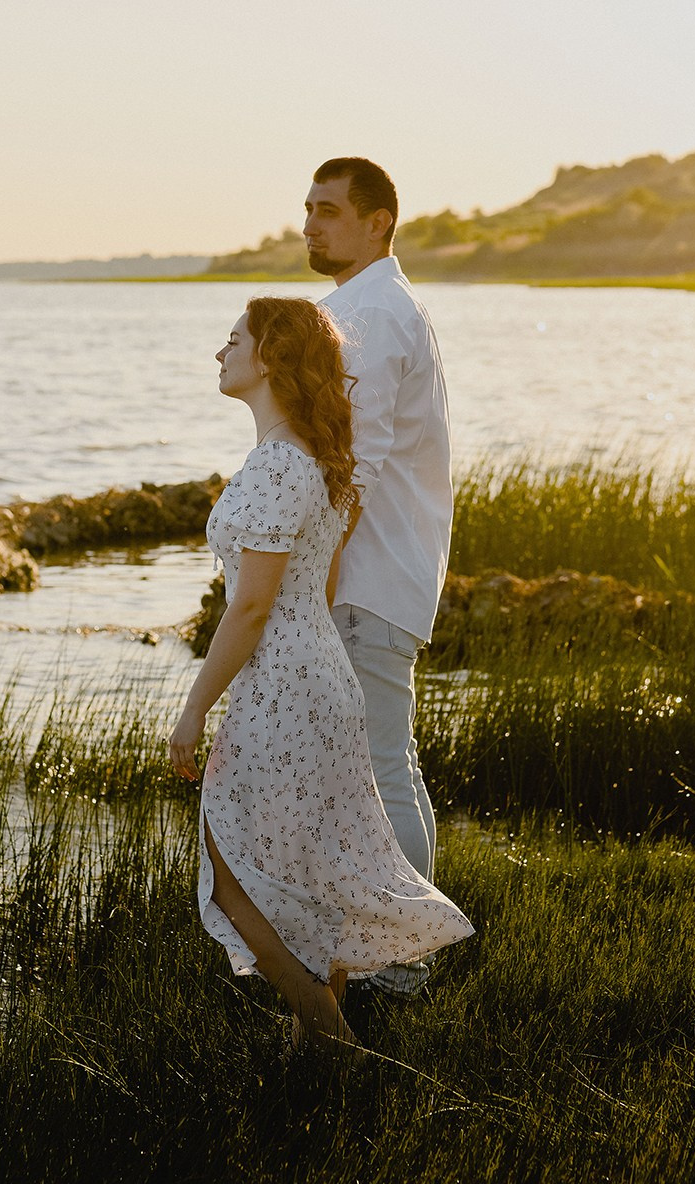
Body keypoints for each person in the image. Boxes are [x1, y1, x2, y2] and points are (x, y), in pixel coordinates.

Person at [168, 296, 472, 1060]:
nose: (219, 353)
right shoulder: (310, 458)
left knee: (230, 868)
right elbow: (322, 583)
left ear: (270, 356)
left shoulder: (279, 464)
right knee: (310, 867)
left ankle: (334, 1040)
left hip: (283, 681)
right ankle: (313, 1046)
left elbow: (251, 607)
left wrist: (194, 707)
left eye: (231, 339)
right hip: (314, 672)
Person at [304, 159, 452, 992]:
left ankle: (398, 966)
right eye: (307, 209)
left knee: (382, 771)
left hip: (364, 575)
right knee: (392, 765)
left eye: (328, 211)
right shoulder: (371, 305)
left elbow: (352, 464)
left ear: (377, 222)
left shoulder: (371, 313)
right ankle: (402, 951)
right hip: (384, 570)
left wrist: (315, 576)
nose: (309, 225)